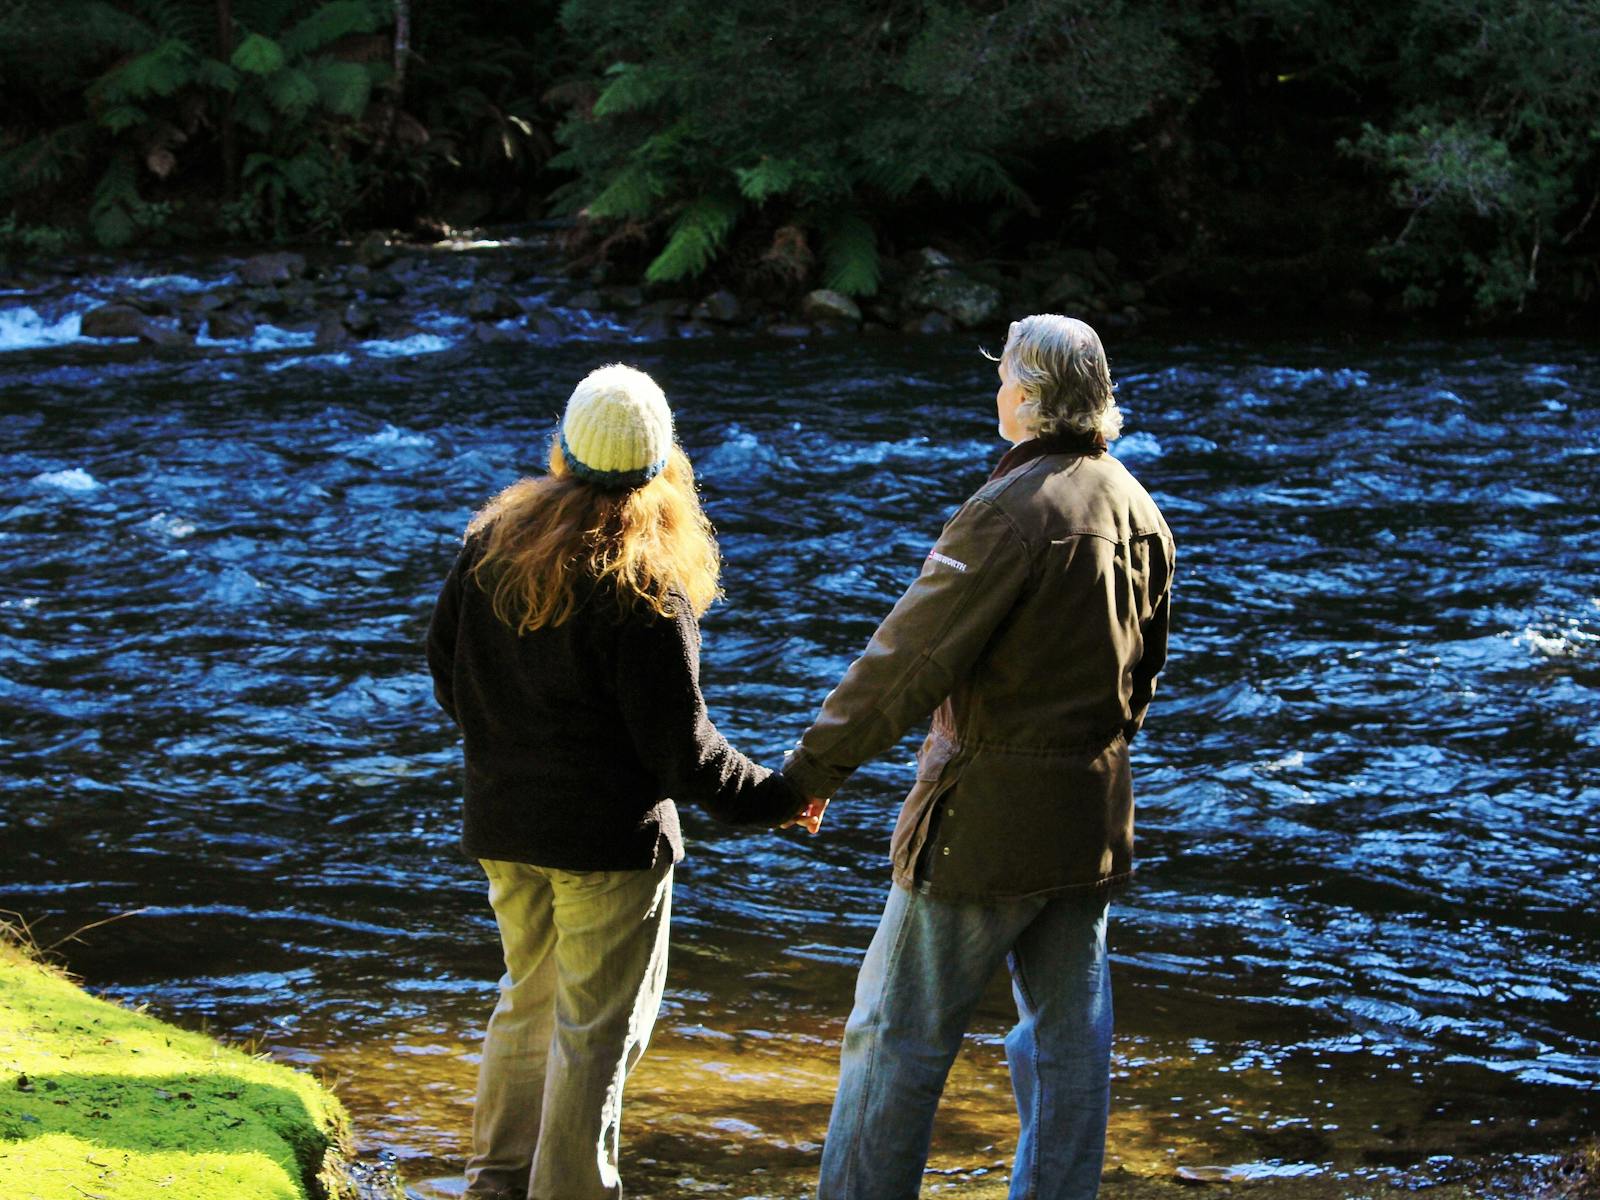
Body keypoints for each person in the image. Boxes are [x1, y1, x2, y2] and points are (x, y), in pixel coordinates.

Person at [783, 315, 1175, 1200]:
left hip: (977, 829)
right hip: (1090, 826)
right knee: (1070, 1049)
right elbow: (1140, 680)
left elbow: (907, 663)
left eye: (1004, 377)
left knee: (895, 1037)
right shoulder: (1142, 511)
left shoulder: (1004, 513)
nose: (995, 389)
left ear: (1030, 398)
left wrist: (811, 773)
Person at [426, 363, 807, 1200]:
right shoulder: (646, 583)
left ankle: (493, 1184)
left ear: (562, 449)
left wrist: (506, 751)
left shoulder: (491, 544)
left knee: (527, 1003)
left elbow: (446, 673)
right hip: (606, 848)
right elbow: (684, 752)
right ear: (663, 462)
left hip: (503, 828)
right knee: (597, 1033)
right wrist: (780, 797)